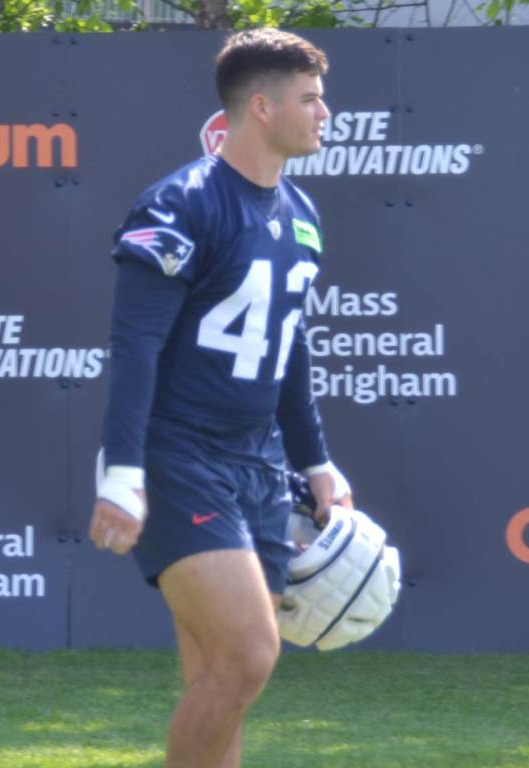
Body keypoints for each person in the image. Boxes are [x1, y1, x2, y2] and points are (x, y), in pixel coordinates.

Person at [88, 29, 353, 768]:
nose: (325, 112)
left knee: (220, 679)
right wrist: (122, 474)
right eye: (310, 99)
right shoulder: (182, 203)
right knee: (247, 657)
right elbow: (134, 346)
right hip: (179, 455)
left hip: (258, 464)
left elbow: (290, 347)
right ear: (261, 108)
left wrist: (318, 463)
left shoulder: (302, 212)